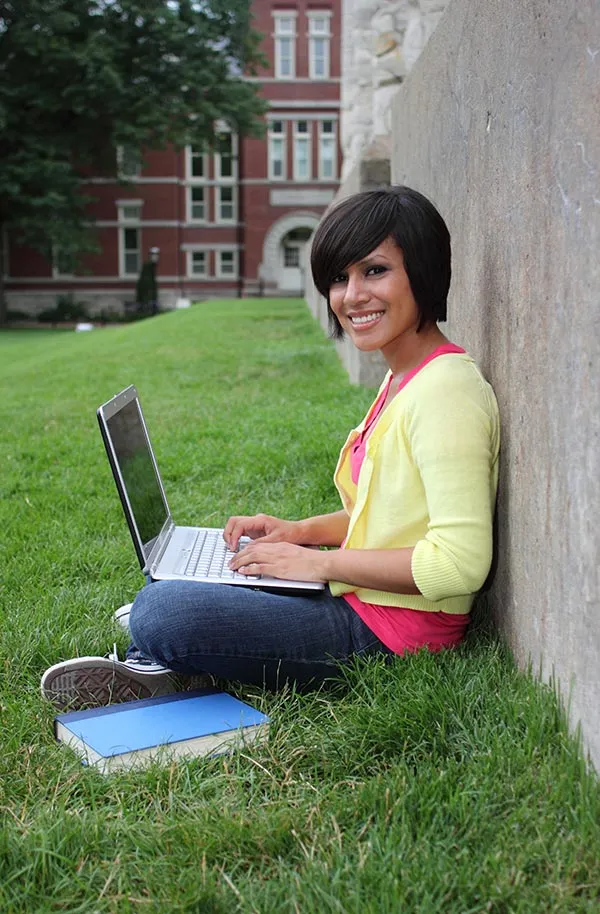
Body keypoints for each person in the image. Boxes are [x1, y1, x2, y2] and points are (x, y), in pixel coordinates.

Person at [41, 186, 500, 710]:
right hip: (362, 599)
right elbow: (387, 517)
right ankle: (182, 636)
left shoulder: (445, 392)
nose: (352, 296)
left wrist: (319, 565)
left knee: (160, 613)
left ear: (423, 269)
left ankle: (158, 662)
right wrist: (300, 534)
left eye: (375, 271)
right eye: (338, 277)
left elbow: (461, 565)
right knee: (205, 576)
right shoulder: (403, 379)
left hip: (391, 634)